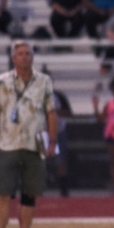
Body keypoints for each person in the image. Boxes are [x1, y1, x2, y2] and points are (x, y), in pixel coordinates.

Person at [0, 40, 57, 228]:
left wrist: (52, 142)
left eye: (28, 53)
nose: (25, 57)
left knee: (30, 192)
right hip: (7, 143)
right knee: (3, 191)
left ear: (33, 57)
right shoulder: (2, 82)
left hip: (34, 143)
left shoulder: (43, 81)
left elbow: (51, 112)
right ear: (13, 58)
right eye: (20, 53)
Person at [42, 66, 73, 197]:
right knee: (40, 162)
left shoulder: (58, 96)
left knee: (60, 162)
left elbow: (68, 113)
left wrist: (54, 112)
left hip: (58, 132)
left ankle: (63, 190)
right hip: (43, 132)